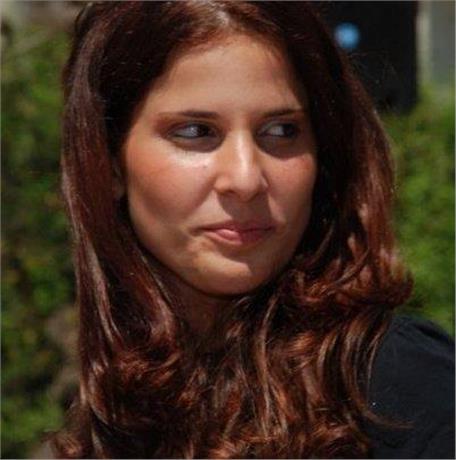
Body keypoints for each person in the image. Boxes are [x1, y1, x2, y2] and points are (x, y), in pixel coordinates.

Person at [50, 1, 454, 458]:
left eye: (281, 130)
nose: (245, 178)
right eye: (196, 131)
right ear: (108, 162)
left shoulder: (404, 394)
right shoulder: (123, 402)